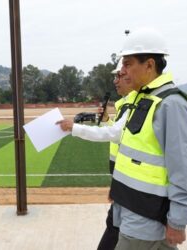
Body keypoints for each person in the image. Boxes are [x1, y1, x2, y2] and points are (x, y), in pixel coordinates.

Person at [109, 28, 187, 250]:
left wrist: (178, 220)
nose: (123, 71)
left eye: (128, 64)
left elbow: (184, 169)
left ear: (149, 65)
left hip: (146, 217)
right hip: (133, 207)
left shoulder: (171, 105)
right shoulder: (143, 99)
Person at [57, 57, 134, 250]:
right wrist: (107, 119)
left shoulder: (137, 104)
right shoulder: (127, 104)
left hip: (131, 182)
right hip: (123, 177)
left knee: (116, 228)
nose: (116, 80)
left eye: (120, 75)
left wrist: (75, 128)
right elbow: (117, 133)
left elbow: (115, 134)